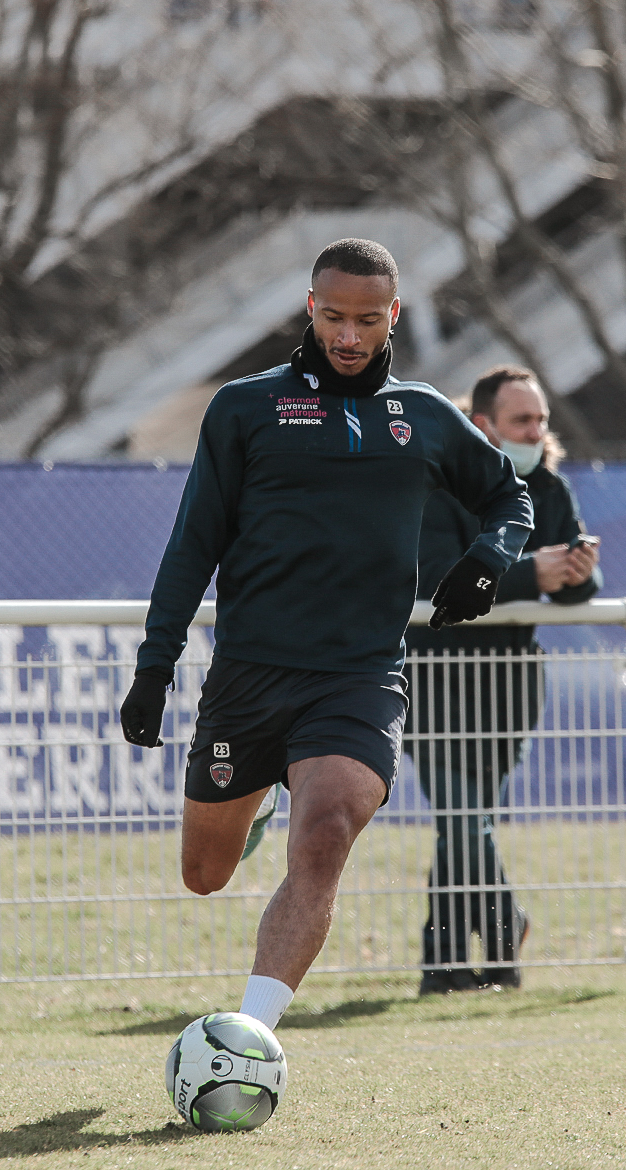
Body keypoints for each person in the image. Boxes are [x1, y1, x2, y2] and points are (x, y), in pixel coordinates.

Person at [119, 239, 533, 1031]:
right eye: (334, 316)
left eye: (367, 320)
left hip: (361, 676)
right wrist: (155, 665)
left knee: (329, 830)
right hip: (250, 673)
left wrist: (487, 561)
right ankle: (264, 800)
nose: (349, 336)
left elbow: (510, 498)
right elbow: (192, 544)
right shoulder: (245, 407)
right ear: (311, 309)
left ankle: (249, 1037)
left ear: (393, 317)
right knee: (204, 875)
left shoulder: (424, 415)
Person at [405, 365, 601, 994]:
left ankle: (445, 963)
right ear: (483, 425)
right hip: (435, 676)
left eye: (542, 420)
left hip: (509, 681)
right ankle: (505, 924)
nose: (537, 431)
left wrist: (578, 573)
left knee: (465, 823)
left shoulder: (549, 487)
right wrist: (529, 576)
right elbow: (436, 580)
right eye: (523, 420)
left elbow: (572, 589)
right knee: (464, 819)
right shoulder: (438, 484)